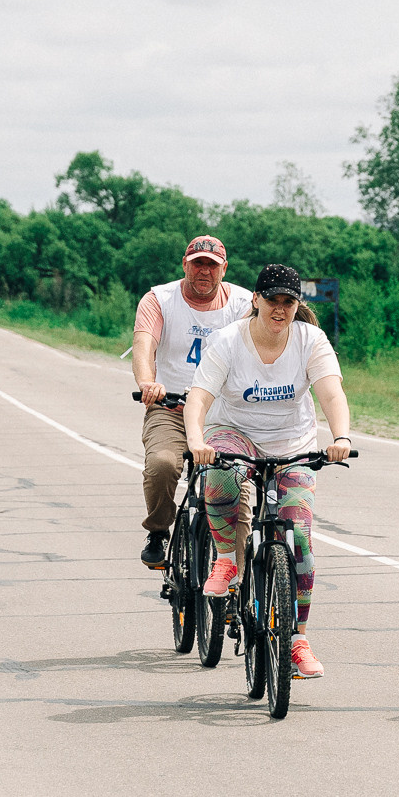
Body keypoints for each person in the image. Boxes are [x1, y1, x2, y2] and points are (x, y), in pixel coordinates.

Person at [182, 263, 352, 680]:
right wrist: (196, 441)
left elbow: (331, 392)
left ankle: (297, 640)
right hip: (234, 432)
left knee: (301, 544)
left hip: (292, 443)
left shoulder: (310, 340)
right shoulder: (228, 341)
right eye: (272, 300)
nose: (280, 309)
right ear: (255, 300)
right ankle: (225, 559)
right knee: (218, 478)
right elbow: (199, 398)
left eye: (288, 301)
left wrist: (341, 437)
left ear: (297, 305)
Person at [131, 236, 251, 569]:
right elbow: (144, 346)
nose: (204, 271)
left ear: (223, 269)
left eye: (211, 266)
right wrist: (147, 383)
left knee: (234, 488)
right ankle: (158, 529)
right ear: (185, 264)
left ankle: (236, 579)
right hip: (170, 405)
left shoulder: (242, 305)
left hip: (221, 414)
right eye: (197, 263)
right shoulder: (159, 299)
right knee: (163, 465)